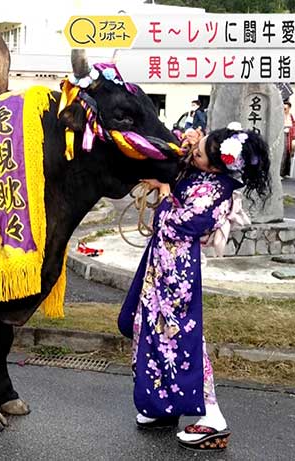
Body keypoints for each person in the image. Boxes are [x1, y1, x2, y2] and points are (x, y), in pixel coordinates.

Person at [118, 126, 271, 451]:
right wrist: (183, 145)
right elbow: (179, 171)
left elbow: (173, 225)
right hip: (163, 269)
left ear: (216, 166)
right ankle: (162, 407)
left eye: (199, 152)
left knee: (181, 345)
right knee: (153, 335)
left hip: (176, 277)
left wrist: (163, 190)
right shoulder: (208, 178)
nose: (193, 153)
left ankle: (214, 418)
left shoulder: (216, 194)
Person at [280, 101, 295, 178]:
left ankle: (285, 172)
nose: (284, 110)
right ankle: (280, 172)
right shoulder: (280, 115)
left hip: (289, 135)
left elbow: (293, 125)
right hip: (281, 134)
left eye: (286, 108)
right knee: (282, 153)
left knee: (288, 152)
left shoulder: (290, 116)